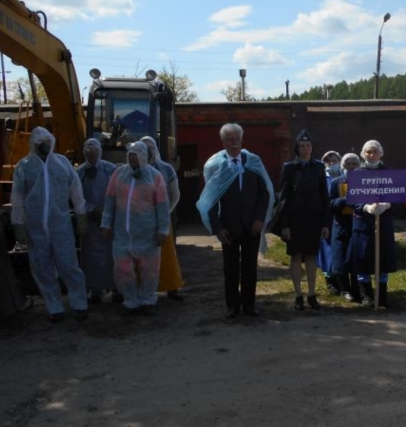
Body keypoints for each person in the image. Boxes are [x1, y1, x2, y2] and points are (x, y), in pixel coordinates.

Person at [11, 126, 89, 323]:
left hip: (60, 223)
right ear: (33, 145)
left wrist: (81, 215)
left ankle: (79, 304)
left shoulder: (62, 163)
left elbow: (75, 189)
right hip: (35, 225)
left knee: (68, 264)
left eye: (46, 142)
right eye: (40, 144)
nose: (44, 146)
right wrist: (18, 223)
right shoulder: (24, 166)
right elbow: (18, 197)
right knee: (42, 267)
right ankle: (54, 307)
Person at [196, 123, 273, 319]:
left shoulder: (254, 162)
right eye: (229, 140)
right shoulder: (216, 166)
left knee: (250, 267)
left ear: (242, 139)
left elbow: (264, 194)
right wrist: (217, 227)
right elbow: (210, 200)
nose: (234, 143)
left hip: (251, 226)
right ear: (223, 142)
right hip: (228, 228)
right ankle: (232, 306)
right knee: (230, 269)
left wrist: (259, 219)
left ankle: (249, 305)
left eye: (237, 139)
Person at [101, 141, 170, 315]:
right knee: (122, 268)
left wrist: (163, 230)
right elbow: (109, 201)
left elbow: (162, 205)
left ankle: (147, 298)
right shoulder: (119, 174)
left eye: (136, 157)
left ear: (143, 157)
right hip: (122, 233)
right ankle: (130, 299)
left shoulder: (155, 176)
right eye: (130, 157)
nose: (132, 160)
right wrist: (106, 223)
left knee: (149, 269)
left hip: (147, 233)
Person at [278, 130, 331, 311]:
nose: (305, 149)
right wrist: (284, 224)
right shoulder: (290, 168)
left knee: (311, 256)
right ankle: (298, 295)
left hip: (314, 220)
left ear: (312, 147)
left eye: (308, 145)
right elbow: (283, 198)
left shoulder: (318, 167)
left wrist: (325, 223)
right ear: (297, 148)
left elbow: (324, 196)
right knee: (296, 256)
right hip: (295, 220)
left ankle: (311, 294)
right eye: (302, 145)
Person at [352, 140, 398, 307]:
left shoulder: (388, 173)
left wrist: (387, 204)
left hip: (383, 223)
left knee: (382, 259)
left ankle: (382, 295)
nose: (371, 155)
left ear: (381, 153)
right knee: (364, 259)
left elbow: (396, 195)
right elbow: (352, 199)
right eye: (368, 152)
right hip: (363, 224)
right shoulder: (357, 174)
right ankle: (366, 296)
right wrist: (365, 207)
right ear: (363, 153)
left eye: (374, 152)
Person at [139, 136, 184, 302]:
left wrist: (165, 214)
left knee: (167, 257)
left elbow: (175, 193)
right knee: (141, 256)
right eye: (144, 148)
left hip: (162, 222)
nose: (148, 150)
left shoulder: (166, 169)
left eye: (150, 147)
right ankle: (141, 289)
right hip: (141, 222)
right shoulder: (133, 169)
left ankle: (171, 286)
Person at [76, 138, 118, 304]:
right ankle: (95, 289)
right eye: (88, 152)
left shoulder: (110, 169)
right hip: (90, 221)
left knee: (113, 253)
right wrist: (90, 210)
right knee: (91, 255)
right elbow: (75, 196)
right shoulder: (79, 173)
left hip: (109, 219)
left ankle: (116, 287)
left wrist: (108, 211)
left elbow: (117, 191)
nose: (91, 155)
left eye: (94, 151)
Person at [329, 153, 362, 301]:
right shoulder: (336, 182)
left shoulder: (363, 181)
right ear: (343, 165)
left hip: (358, 223)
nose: (351, 166)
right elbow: (330, 204)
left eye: (354, 163)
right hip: (341, 225)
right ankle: (344, 289)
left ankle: (357, 289)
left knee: (356, 258)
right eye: (348, 163)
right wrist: (344, 200)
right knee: (341, 258)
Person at [317, 150, 342, 295]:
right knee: (326, 248)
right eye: (328, 161)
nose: (332, 163)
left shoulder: (343, 178)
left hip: (341, 218)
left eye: (335, 160)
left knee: (340, 248)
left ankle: (341, 277)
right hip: (326, 218)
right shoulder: (321, 178)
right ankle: (330, 279)